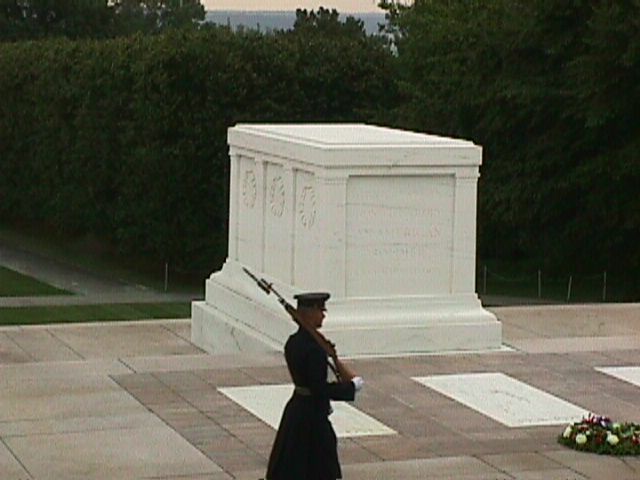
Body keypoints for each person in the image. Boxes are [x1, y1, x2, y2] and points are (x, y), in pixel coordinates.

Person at [265, 292, 364, 480]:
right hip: (312, 418)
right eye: (320, 311)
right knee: (320, 466)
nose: (323, 315)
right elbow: (319, 389)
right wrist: (350, 387)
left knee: (292, 464)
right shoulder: (314, 350)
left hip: (297, 411)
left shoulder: (293, 343)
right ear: (308, 313)